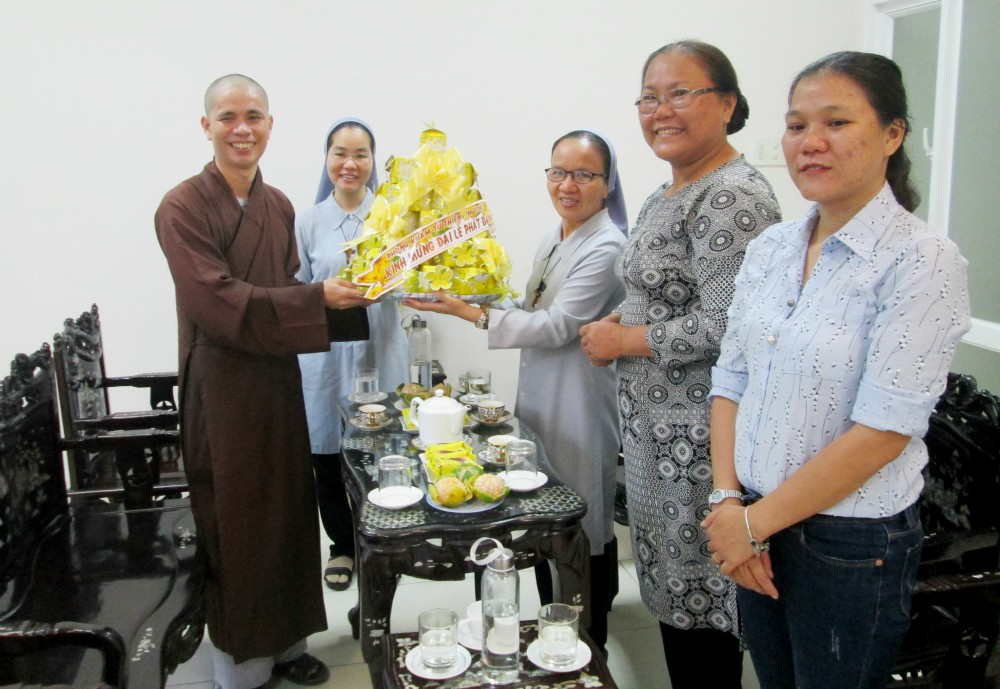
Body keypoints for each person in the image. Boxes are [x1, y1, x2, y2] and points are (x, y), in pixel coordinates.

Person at [702, 51, 971, 689]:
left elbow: (884, 429)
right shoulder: (772, 248)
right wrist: (727, 499)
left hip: (848, 544)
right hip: (753, 515)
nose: (810, 143)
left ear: (892, 134)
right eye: (796, 126)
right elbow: (730, 379)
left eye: (837, 122)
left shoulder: (922, 260)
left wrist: (750, 526)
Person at [155, 74, 374, 689]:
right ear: (207, 126)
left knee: (288, 513)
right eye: (228, 116)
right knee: (240, 522)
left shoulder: (278, 204)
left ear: (271, 126)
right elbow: (217, 300)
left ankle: (286, 644)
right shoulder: (181, 206)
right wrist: (317, 299)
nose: (242, 128)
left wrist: (358, 291)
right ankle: (240, 664)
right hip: (225, 390)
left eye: (254, 115)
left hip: (278, 379)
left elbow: (287, 295)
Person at [579, 41, 780, 688]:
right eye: (648, 97)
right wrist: (622, 322)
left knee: (704, 610)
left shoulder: (732, 196)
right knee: (669, 594)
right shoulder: (671, 188)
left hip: (698, 443)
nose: (660, 110)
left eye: (679, 93)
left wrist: (625, 342)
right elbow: (660, 293)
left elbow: (729, 327)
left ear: (726, 103)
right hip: (653, 436)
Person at [405, 129, 626, 653]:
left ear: (606, 183)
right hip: (543, 395)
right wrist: (459, 286)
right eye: (557, 171)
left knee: (583, 516)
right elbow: (525, 307)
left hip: (579, 399)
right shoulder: (557, 237)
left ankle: (589, 637)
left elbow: (555, 327)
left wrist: (469, 312)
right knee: (551, 512)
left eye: (583, 174)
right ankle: (557, 625)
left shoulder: (608, 245)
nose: (566, 184)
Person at [295, 118, 408, 591]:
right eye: (340, 153)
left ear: (372, 161)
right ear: (327, 159)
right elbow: (298, 288)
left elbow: (414, 279)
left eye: (361, 154)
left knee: (382, 448)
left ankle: (385, 539)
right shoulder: (307, 220)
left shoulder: (394, 217)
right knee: (326, 451)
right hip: (324, 355)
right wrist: (325, 293)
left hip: (378, 348)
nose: (350, 164)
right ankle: (342, 546)